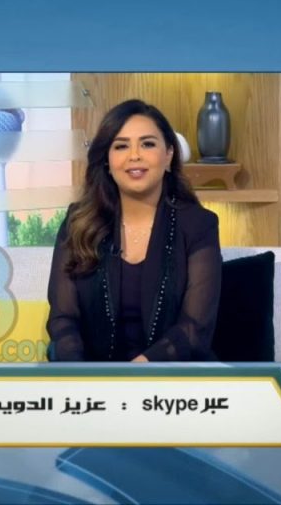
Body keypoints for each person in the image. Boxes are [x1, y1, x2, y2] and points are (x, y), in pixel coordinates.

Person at [47, 99, 221, 362]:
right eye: (121, 146)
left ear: (169, 155)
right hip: (93, 380)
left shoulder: (198, 225)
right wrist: (81, 374)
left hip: (174, 377)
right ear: (107, 160)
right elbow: (63, 320)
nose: (135, 155)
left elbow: (194, 329)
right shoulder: (79, 222)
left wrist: (136, 372)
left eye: (147, 144)